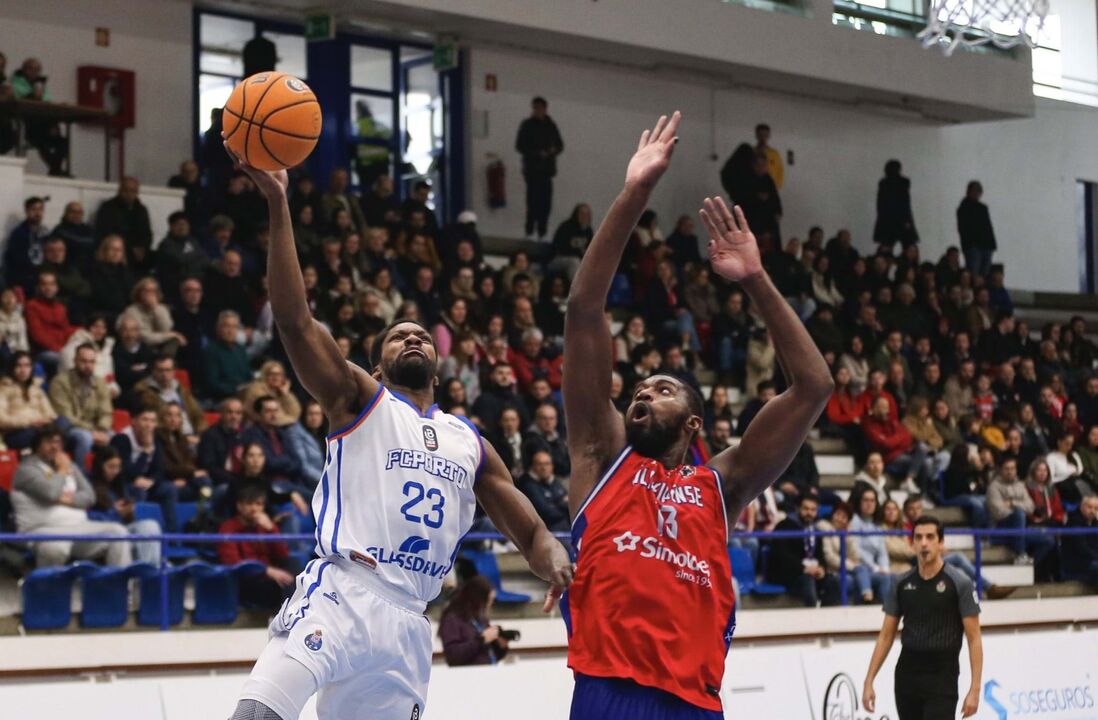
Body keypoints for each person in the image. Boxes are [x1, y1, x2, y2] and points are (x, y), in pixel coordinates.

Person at [225, 146, 571, 720]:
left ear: (438, 363)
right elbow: (294, 321)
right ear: (377, 367)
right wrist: (279, 204)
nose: (413, 338)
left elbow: (532, 532)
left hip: (410, 621)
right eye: (397, 336)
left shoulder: (470, 443)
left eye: (422, 336)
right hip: (342, 592)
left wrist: (555, 560)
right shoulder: (361, 399)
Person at [561, 113, 833, 719]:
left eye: (662, 389)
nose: (642, 394)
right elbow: (583, 309)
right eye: (638, 390)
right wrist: (634, 194)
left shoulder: (721, 486)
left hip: (696, 702)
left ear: (693, 423)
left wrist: (756, 279)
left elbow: (814, 386)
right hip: (609, 691)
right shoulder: (601, 456)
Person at [862, 516, 982, 719]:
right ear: (912, 543)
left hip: (942, 676)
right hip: (907, 676)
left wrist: (975, 689)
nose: (924, 543)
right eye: (918, 537)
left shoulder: (960, 583)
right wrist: (869, 680)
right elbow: (886, 636)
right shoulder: (900, 583)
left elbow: (974, 639)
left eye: (930, 537)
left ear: (941, 543)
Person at [11, 425, 132, 567]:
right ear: (37, 445)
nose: (55, 447)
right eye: (49, 442)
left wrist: (64, 499)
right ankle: (48, 582)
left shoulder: (70, 466)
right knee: (56, 547)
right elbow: (51, 493)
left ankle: (119, 580)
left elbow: (89, 497)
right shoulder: (26, 469)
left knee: (118, 532)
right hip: (42, 530)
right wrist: (62, 471)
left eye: (58, 442)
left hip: (79, 526)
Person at [218, 482, 295, 610]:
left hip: (270, 574)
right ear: (239, 506)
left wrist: (271, 530)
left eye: (258, 504)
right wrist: (265, 570)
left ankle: (294, 616)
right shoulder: (228, 528)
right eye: (249, 504)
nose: (254, 509)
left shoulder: (266, 526)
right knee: (280, 585)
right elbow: (232, 563)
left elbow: (283, 556)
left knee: (297, 573)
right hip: (246, 579)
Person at [768, 493, 839, 607]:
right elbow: (782, 555)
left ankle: (829, 614)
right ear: (798, 508)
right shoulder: (784, 525)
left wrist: (822, 568)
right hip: (788, 572)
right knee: (808, 579)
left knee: (833, 581)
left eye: (813, 510)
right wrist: (804, 568)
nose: (809, 513)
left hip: (810, 570)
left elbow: (820, 555)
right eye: (805, 509)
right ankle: (812, 614)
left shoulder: (816, 529)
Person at [515, 97, 564, 241]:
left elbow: (560, 145)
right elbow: (520, 146)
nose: (537, 111)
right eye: (535, 108)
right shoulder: (527, 125)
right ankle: (529, 231)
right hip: (532, 171)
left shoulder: (551, 126)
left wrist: (552, 151)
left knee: (546, 203)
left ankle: (542, 232)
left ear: (545, 109)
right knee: (532, 202)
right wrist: (537, 153)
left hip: (547, 171)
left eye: (540, 108)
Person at [438, 576, 511, 666]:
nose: (490, 604)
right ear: (478, 599)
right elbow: (453, 656)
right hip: (468, 673)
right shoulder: (452, 620)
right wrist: (482, 639)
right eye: (488, 600)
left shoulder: (480, 618)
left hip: (487, 670)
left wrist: (500, 646)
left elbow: (487, 655)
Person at [95, 177, 153, 268]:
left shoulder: (141, 210)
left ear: (137, 192)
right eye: (125, 190)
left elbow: (147, 232)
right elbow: (106, 233)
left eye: (132, 190)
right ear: (120, 190)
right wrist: (130, 248)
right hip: (118, 249)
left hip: (139, 252)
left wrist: (143, 247)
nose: (129, 193)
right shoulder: (108, 208)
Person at [517, 449, 570, 532]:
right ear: (533, 466)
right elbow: (546, 513)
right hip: (546, 530)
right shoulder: (528, 486)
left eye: (547, 464)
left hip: (566, 528)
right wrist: (562, 505)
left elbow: (570, 505)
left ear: (552, 466)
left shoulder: (556, 483)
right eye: (540, 464)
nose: (544, 468)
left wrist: (557, 505)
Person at [873, 159, 918, 251]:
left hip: (887, 220)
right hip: (900, 219)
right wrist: (907, 220)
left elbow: (880, 205)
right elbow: (905, 203)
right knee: (908, 247)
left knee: (887, 248)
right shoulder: (903, 182)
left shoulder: (884, 183)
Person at [957, 181, 996, 279]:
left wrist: (991, 245)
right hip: (973, 247)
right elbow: (964, 229)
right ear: (969, 191)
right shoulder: (964, 208)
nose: (976, 193)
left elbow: (988, 228)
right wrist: (969, 244)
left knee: (984, 276)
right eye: (974, 190)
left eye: (978, 191)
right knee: (974, 276)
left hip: (986, 245)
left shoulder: (983, 208)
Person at [1061, 495, 1098, 585]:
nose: (1093, 511)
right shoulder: (1074, 522)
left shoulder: (1095, 523)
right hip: (1077, 564)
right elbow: (1082, 549)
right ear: (1082, 507)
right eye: (1089, 507)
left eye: (1096, 508)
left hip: (1092, 560)